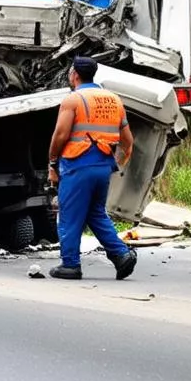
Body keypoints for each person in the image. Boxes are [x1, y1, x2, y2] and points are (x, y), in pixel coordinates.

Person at [45, 56, 137, 281]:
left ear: (74, 74)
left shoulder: (73, 100)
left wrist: (52, 162)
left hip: (78, 165)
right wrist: (118, 164)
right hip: (103, 165)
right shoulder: (114, 100)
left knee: (69, 215)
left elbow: (60, 135)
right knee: (95, 213)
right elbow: (128, 141)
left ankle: (70, 265)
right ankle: (121, 255)